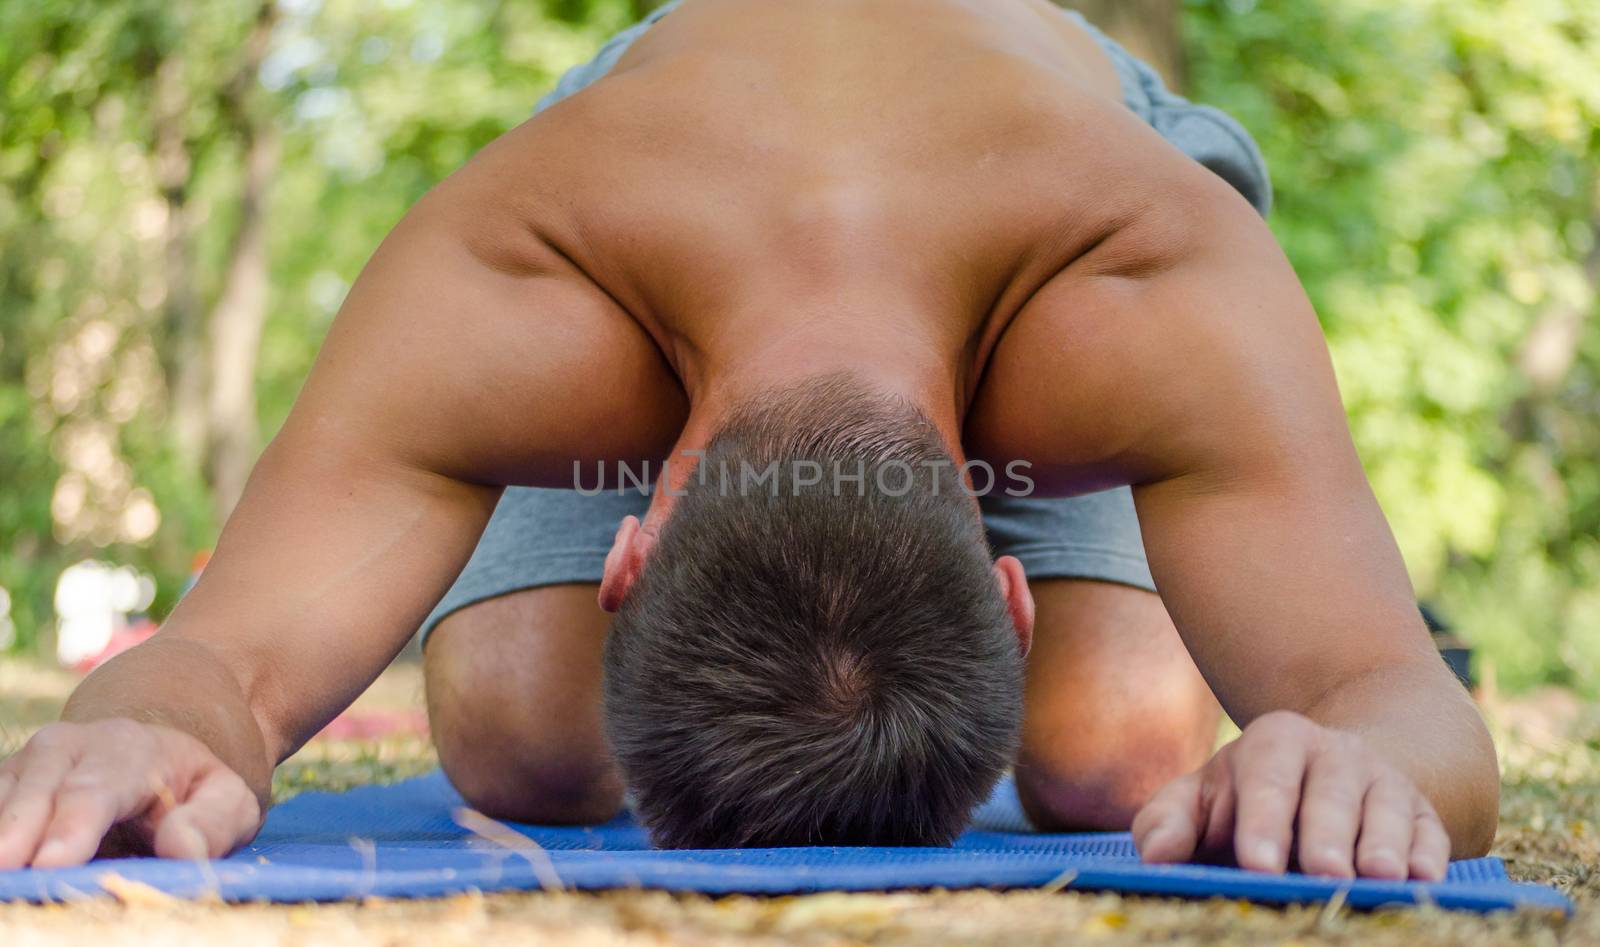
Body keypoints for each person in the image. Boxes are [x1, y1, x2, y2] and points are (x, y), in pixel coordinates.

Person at [0, 0, 1497, 878]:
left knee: (1115, 761)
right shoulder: (521, 279)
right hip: (661, 151)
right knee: (524, 742)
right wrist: (157, 729)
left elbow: (1392, 696)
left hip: (1061, 106)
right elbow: (225, 663)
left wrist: (1352, 748)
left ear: (627, 556)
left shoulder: (1149, 274)